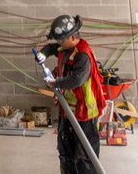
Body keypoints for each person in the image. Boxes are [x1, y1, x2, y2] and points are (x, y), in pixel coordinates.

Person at [38, 14, 106, 174]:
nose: (59, 44)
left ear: (73, 36)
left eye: (61, 40)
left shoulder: (83, 54)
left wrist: (57, 83)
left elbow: (77, 79)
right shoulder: (67, 48)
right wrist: (43, 53)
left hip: (85, 114)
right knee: (66, 154)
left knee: (84, 158)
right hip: (68, 111)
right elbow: (52, 48)